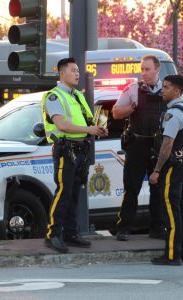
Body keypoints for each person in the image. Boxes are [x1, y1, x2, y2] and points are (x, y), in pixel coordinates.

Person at [42, 57, 108, 253]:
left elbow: (89, 120)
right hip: (66, 151)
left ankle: (71, 233)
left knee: (74, 194)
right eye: (73, 70)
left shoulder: (77, 95)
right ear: (62, 74)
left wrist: (98, 128)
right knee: (63, 193)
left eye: (78, 70)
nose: (77, 73)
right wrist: (89, 129)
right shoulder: (54, 97)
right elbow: (61, 125)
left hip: (80, 151)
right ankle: (53, 235)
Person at [112, 55, 166, 241]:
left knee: (157, 189)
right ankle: (124, 228)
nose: (144, 73)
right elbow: (116, 113)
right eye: (142, 69)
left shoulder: (167, 90)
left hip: (158, 146)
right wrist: (131, 108)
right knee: (131, 188)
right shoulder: (132, 89)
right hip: (137, 145)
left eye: (147, 69)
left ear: (157, 69)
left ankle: (157, 228)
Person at [149, 75, 183, 266]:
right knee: (181, 208)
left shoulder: (174, 113)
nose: (162, 90)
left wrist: (157, 170)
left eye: (166, 87)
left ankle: (172, 255)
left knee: (171, 210)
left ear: (176, 91)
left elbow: (167, 144)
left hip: (173, 167)